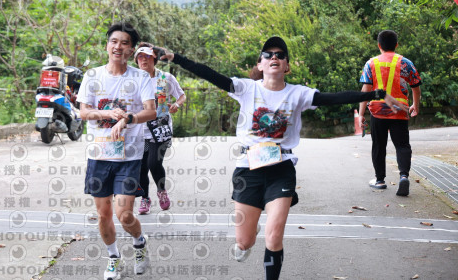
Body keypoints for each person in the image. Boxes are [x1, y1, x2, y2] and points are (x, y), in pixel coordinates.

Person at [154, 37, 407, 280]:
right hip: (248, 169)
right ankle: (247, 237)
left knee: (274, 236)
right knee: (244, 241)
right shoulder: (246, 88)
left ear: (286, 66)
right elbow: (210, 74)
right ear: (260, 64)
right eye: (268, 55)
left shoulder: (298, 94)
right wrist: (177, 58)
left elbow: (333, 97)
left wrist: (376, 93)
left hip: (281, 169)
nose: (274, 57)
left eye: (280, 55)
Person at [76, 22, 156, 280]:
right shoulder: (92, 76)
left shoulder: (140, 77)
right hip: (99, 155)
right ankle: (113, 257)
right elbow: (84, 112)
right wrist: (107, 114)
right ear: (107, 46)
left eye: (124, 43)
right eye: (114, 41)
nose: (118, 46)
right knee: (103, 214)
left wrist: (127, 119)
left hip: (129, 157)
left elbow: (151, 111)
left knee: (124, 214)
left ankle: (139, 242)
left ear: (131, 49)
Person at [358, 30, 422, 196]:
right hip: (399, 110)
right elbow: (416, 87)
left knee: (379, 145)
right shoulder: (405, 63)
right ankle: (404, 176)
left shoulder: (371, 63)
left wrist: (361, 114)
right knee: (402, 145)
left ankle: (379, 180)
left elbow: (366, 90)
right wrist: (415, 105)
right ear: (396, 45)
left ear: (379, 45)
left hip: (377, 110)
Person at [133, 43, 186, 214]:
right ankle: (145, 198)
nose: (144, 60)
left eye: (147, 56)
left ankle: (161, 191)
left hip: (160, 128)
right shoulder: (133, 80)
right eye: (140, 57)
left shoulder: (165, 78)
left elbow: (181, 96)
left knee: (154, 163)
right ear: (136, 60)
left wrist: (176, 105)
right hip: (139, 130)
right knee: (141, 167)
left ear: (154, 58)